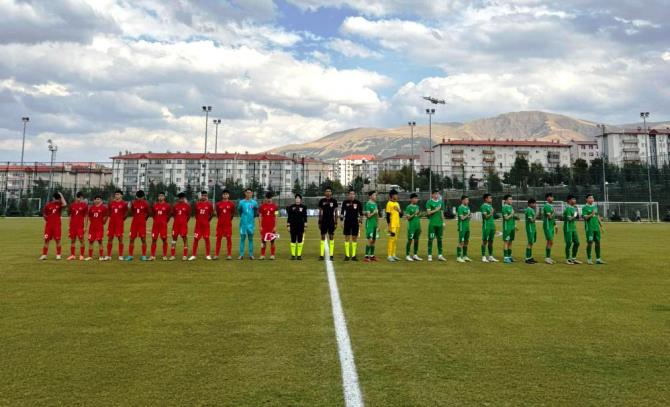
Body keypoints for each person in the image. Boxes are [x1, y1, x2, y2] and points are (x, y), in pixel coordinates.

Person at [40, 192, 67, 260]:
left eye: (59, 199)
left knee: (58, 240)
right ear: (53, 198)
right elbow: (44, 214)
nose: (57, 200)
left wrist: (61, 195)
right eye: (56, 199)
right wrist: (48, 220)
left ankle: (58, 255)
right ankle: (44, 255)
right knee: (46, 240)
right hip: (49, 226)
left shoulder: (59, 204)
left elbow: (65, 204)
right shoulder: (48, 205)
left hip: (57, 226)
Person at [189, 190, 214, 260]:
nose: (204, 197)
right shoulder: (197, 204)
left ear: (207, 196)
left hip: (206, 226)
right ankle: (193, 255)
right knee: (196, 239)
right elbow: (196, 214)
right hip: (198, 226)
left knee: (207, 239)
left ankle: (208, 255)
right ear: (201, 196)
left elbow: (211, 215)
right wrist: (199, 220)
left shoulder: (209, 205)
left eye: (205, 196)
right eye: (203, 195)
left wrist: (207, 221)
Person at [127, 190, 150, 261]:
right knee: (131, 239)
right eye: (138, 197)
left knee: (143, 239)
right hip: (134, 224)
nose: (139, 198)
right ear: (136, 196)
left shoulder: (145, 204)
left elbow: (148, 213)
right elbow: (131, 213)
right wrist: (129, 208)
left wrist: (144, 219)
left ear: (143, 197)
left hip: (142, 224)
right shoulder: (133, 203)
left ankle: (143, 255)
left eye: (141, 197)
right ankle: (130, 256)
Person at [582, 194, 606, 264]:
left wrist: (601, 226)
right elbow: (585, 217)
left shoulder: (595, 207)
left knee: (598, 242)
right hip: (589, 228)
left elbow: (597, 216)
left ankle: (598, 259)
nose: (592, 199)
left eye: (592, 198)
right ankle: (589, 259)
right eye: (590, 198)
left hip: (596, 228)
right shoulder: (585, 208)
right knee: (590, 243)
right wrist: (591, 215)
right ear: (586, 199)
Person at [341, 189, 363, 261]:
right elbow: (342, 212)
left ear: (354, 195)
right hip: (347, 222)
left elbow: (361, 213)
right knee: (347, 238)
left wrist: (360, 221)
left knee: (354, 238)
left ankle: (353, 256)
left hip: (355, 222)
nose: (352, 195)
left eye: (353, 194)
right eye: (350, 194)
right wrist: (341, 221)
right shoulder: (345, 202)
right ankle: (347, 256)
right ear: (348, 195)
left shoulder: (358, 202)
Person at [105, 190, 127, 261]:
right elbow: (108, 212)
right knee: (110, 239)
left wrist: (122, 219)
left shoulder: (124, 204)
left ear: (121, 195)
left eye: (118, 194)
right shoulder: (111, 203)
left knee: (120, 239)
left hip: (119, 224)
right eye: (116, 194)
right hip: (111, 224)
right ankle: (108, 255)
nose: (116, 195)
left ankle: (120, 255)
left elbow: (127, 213)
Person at [238, 188, 259, 260]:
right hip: (243, 223)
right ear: (245, 193)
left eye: (250, 193)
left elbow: (256, 211)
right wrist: (243, 217)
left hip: (251, 223)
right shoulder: (241, 202)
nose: (248, 194)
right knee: (242, 239)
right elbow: (239, 211)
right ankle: (241, 255)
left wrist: (252, 217)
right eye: (247, 192)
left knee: (250, 239)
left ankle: (251, 255)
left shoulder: (254, 203)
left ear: (252, 193)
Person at [425, 190, 446, 261]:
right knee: (431, 239)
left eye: (438, 194)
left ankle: (440, 255)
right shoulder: (429, 202)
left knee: (440, 239)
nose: (437, 195)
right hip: (432, 224)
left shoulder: (441, 202)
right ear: (432, 195)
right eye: (435, 194)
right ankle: (429, 255)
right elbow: (428, 213)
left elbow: (442, 213)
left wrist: (443, 222)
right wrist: (436, 210)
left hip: (439, 224)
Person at [150, 192, 171, 261]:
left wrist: (164, 222)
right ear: (158, 197)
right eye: (159, 196)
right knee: (154, 240)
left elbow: (169, 215)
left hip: (163, 226)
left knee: (164, 240)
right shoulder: (154, 205)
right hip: (155, 225)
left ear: (164, 197)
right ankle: (152, 256)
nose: (160, 197)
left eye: (162, 196)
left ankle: (164, 255)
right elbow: (153, 214)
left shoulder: (167, 206)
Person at [318, 187, 338, 260]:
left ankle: (331, 255)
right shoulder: (322, 201)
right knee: (322, 237)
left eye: (329, 191)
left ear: (331, 193)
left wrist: (336, 222)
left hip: (331, 222)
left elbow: (336, 212)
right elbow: (320, 212)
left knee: (331, 237)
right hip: (323, 222)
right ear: (325, 193)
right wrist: (319, 222)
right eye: (327, 191)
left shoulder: (334, 201)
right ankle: (321, 255)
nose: (328, 192)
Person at [215, 189, 235, 260]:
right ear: (222, 195)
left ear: (228, 195)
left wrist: (228, 220)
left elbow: (232, 214)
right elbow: (217, 214)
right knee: (218, 239)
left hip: (228, 225)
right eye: (224, 194)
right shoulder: (218, 204)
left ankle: (229, 255)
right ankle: (216, 255)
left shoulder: (231, 204)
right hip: (220, 225)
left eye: (226, 194)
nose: (225, 195)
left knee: (229, 239)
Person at [67, 191, 88, 261]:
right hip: (73, 226)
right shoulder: (72, 205)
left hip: (80, 226)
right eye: (78, 197)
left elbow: (86, 216)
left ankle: (81, 255)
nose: (80, 199)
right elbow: (70, 216)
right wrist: (69, 226)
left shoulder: (84, 205)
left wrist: (85, 226)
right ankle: (72, 255)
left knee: (82, 240)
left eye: (81, 198)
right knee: (72, 241)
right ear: (76, 197)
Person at [85, 195, 107, 261]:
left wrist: (102, 223)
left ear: (101, 200)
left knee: (100, 241)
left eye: (98, 199)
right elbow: (89, 217)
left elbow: (105, 217)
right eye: (96, 199)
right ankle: (90, 256)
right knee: (91, 241)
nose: (97, 200)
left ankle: (101, 256)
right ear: (94, 200)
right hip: (92, 228)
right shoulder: (91, 208)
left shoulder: (103, 208)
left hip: (99, 228)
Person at [170, 192, 191, 261]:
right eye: (180, 198)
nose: (181, 199)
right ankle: (172, 255)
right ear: (178, 198)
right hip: (176, 225)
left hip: (183, 225)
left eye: (182, 198)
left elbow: (188, 216)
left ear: (184, 198)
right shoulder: (175, 206)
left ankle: (185, 255)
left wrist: (184, 222)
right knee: (174, 239)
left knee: (184, 239)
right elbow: (173, 214)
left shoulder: (187, 206)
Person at [286, 194, 307, 260]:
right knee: (293, 240)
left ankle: (299, 255)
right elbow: (289, 217)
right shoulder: (291, 207)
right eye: (296, 198)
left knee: (300, 240)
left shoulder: (303, 207)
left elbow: (305, 216)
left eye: (299, 198)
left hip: (300, 225)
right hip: (293, 225)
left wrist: (305, 225)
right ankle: (293, 255)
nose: (297, 199)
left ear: (300, 199)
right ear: (295, 199)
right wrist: (288, 225)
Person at [259, 192, 279, 260]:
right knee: (263, 241)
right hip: (264, 227)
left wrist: (275, 226)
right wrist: (260, 226)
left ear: (272, 198)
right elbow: (260, 216)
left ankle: (272, 255)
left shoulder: (275, 207)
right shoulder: (262, 206)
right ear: (265, 198)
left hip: (272, 226)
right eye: (267, 198)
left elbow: (276, 217)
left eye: (270, 198)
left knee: (272, 241)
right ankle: (262, 255)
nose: (269, 199)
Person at [563, 194, 581, 265]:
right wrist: (575, 215)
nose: (575, 200)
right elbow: (569, 219)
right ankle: (567, 259)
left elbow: (577, 218)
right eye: (573, 199)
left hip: (573, 228)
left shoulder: (573, 208)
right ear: (569, 200)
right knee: (569, 243)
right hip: (568, 228)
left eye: (575, 199)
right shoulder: (568, 208)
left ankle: (573, 258)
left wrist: (576, 213)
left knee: (577, 243)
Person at [480, 193, 498, 262]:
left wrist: (494, 226)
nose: (491, 199)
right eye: (490, 198)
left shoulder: (490, 206)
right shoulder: (483, 206)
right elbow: (485, 217)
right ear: (486, 199)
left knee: (491, 241)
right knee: (485, 241)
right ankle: (483, 256)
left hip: (491, 226)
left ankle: (490, 256)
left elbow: (491, 218)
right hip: (486, 226)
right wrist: (491, 212)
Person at [385, 189, 402, 262]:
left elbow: (401, 215)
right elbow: (387, 216)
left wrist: (399, 210)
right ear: (392, 195)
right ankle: (389, 255)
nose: (397, 196)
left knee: (395, 240)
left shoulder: (397, 204)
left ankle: (393, 254)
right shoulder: (389, 203)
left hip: (397, 224)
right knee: (391, 240)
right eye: (396, 194)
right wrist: (389, 226)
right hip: (392, 225)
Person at [405, 193, 422, 261]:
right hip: (411, 227)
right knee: (410, 240)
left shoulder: (417, 207)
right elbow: (408, 218)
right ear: (411, 199)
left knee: (417, 240)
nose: (416, 200)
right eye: (415, 198)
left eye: (417, 198)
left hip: (417, 226)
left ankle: (415, 255)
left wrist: (420, 227)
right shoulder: (408, 207)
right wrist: (415, 213)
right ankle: (407, 255)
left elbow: (417, 217)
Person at [363, 191, 379, 262]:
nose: (375, 196)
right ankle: (366, 256)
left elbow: (377, 215)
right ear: (370, 196)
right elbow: (368, 216)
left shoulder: (375, 204)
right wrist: (374, 212)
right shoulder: (368, 204)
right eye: (374, 195)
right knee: (370, 240)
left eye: (376, 195)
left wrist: (378, 225)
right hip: (369, 224)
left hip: (374, 224)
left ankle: (372, 256)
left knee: (374, 240)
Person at [542, 193, 557, 264]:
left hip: (551, 227)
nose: (552, 198)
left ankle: (548, 258)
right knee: (550, 241)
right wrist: (554, 212)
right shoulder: (547, 206)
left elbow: (552, 218)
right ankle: (547, 258)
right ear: (547, 198)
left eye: (552, 197)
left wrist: (555, 225)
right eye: (551, 197)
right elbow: (550, 217)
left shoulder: (551, 206)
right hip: (547, 227)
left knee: (549, 242)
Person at [456, 195, 472, 263]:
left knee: (466, 242)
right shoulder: (460, 208)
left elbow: (468, 218)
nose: (467, 201)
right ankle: (458, 257)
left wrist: (469, 216)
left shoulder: (467, 207)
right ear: (462, 200)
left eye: (468, 200)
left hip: (467, 226)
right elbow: (462, 218)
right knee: (461, 242)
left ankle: (465, 256)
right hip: (462, 227)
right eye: (466, 200)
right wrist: (468, 215)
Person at [501, 194, 516, 263]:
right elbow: (506, 218)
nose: (511, 200)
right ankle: (505, 257)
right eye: (510, 199)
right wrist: (512, 214)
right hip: (507, 227)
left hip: (512, 227)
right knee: (506, 242)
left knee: (510, 242)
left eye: (511, 199)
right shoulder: (504, 208)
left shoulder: (511, 207)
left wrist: (514, 226)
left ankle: (509, 256)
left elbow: (512, 218)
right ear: (506, 200)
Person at [524, 198, 538, 264]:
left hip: (532, 228)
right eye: (534, 203)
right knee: (530, 243)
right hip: (530, 228)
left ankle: (530, 257)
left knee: (531, 242)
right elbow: (531, 220)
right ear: (530, 204)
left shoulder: (531, 210)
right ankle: (527, 258)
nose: (535, 205)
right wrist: (536, 216)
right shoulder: (529, 210)